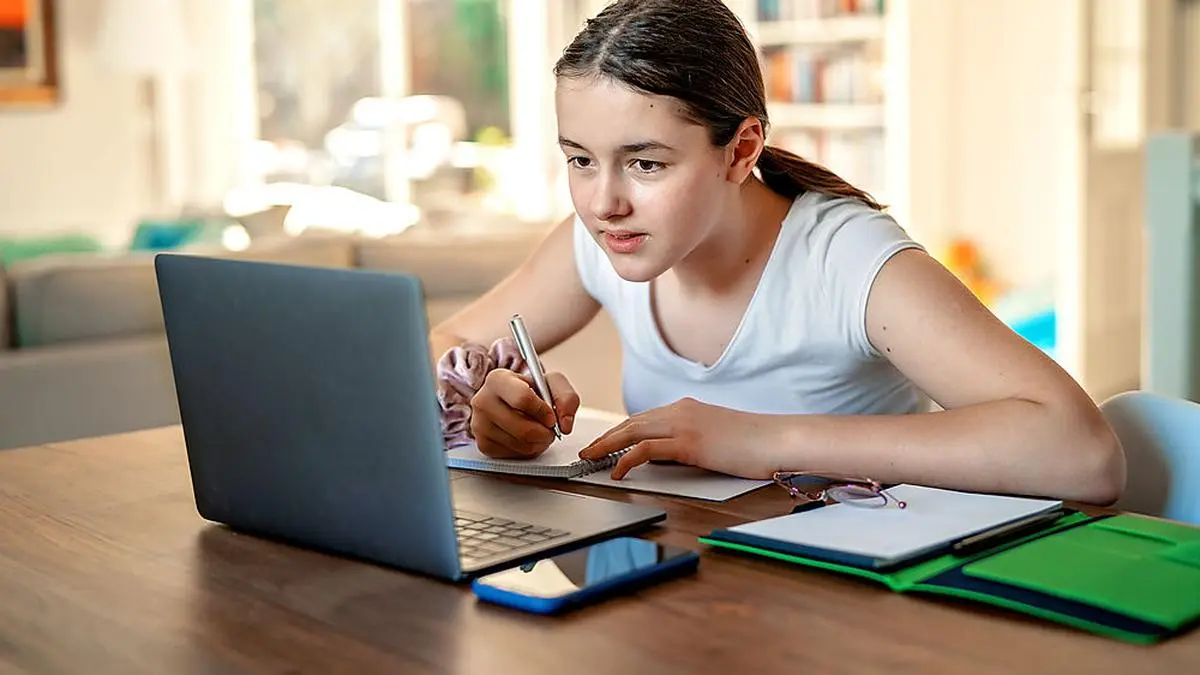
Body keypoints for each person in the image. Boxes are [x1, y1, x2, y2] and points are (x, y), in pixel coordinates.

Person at [429, 0, 1125, 505]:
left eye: (644, 165)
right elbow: (448, 339)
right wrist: (492, 403)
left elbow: (1082, 452)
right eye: (581, 159)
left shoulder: (847, 260)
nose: (603, 201)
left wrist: (768, 440)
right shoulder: (599, 240)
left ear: (741, 151)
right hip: (694, 588)